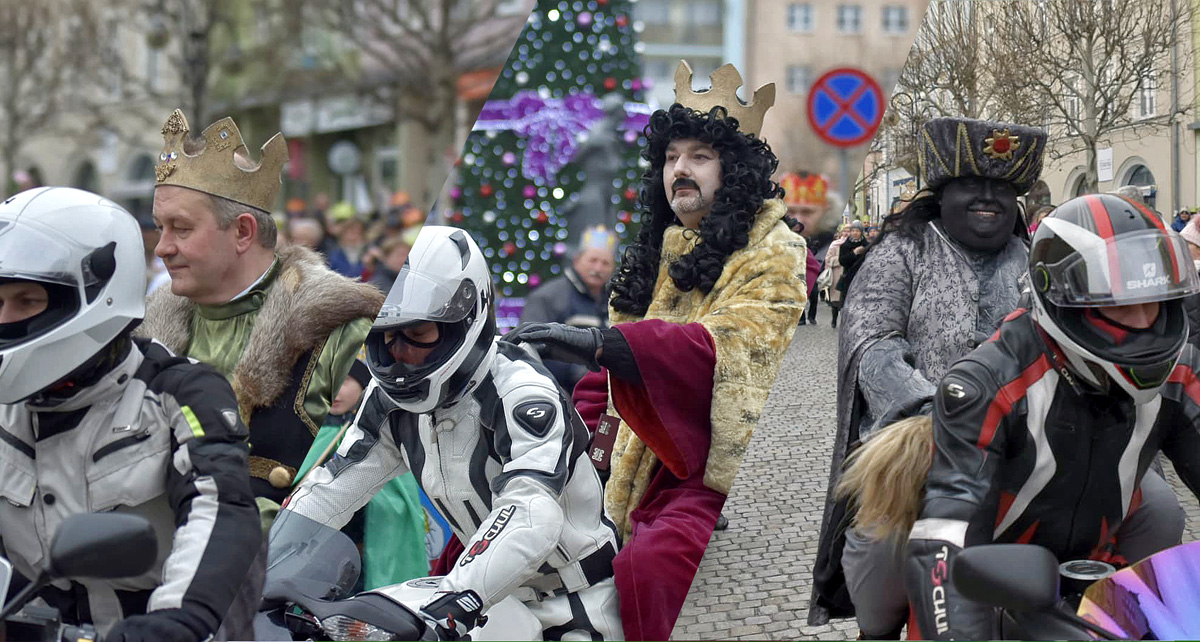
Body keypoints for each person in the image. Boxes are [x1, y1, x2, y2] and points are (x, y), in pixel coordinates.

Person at [506, 60, 807, 640]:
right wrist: (567, 443)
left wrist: (608, 344)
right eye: (671, 158)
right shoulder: (657, 250)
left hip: (706, 472)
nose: (680, 170)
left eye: (699, 156)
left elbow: (726, 345)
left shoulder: (777, 251)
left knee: (650, 567)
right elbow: (603, 386)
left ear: (734, 169)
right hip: (627, 463)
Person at [271, 227, 623, 639]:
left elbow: (531, 512)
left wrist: (455, 599)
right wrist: (265, 566)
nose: (399, 353)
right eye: (387, 337)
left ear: (465, 321)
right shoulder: (386, 398)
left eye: (418, 334)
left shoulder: (521, 390)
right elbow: (332, 488)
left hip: (576, 601)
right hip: (482, 599)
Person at [907, 193, 1200, 640]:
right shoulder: (985, 383)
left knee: (1163, 514)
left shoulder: (1181, 369)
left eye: (1156, 302)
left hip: (1106, 575)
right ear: (1063, 299)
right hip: (988, 580)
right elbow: (947, 534)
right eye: (1120, 304)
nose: (1145, 321)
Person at [138, 109, 384, 637]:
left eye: (181, 228)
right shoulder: (143, 339)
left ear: (244, 231)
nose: (161, 248)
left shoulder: (347, 333)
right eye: (161, 228)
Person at [811, 117, 1052, 636]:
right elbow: (871, 341)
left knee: (1153, 509)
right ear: (941, 194)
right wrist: (933, 412)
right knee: (881, 549)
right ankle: (878, 629)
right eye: (971, 185)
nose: (987, 198)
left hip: (1030, 445)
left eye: (1002, 189)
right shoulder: (901, 252)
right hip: (918, 444)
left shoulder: (1037, 262)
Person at [0, 187, 260, 642]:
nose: (6, 318)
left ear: (97, 295)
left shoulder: (178, 392)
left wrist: (176, 623)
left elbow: (218, 504)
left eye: (27, 301)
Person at [291, 359, 430, 589]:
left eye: (344, 381)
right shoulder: (310, 431)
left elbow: (398, 503)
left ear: (364, 386)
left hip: (363, 554)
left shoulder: (381, 433)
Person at [519, 226, 617, 392]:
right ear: (577, 261)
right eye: (593, 260)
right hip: (560, 395)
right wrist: (580, 373)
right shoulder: (547, 297)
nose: (598, 269)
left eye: (605, 263)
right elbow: (529, 349)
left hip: (605, 396)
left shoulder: (615, 301)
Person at [781, 172, 838, 325]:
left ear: (825, 209)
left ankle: (809, 317)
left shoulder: (826, 240)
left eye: (807, 212)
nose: (798, 219)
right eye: (791, 211)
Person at [835, 220, 868, 304]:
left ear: (861, 232)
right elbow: (842, 261)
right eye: (853, 231)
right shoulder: (845, 245)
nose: (855, 233)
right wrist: (854, 253)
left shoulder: (867, 245)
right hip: (849, 277)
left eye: (857, 231)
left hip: (863, 278)